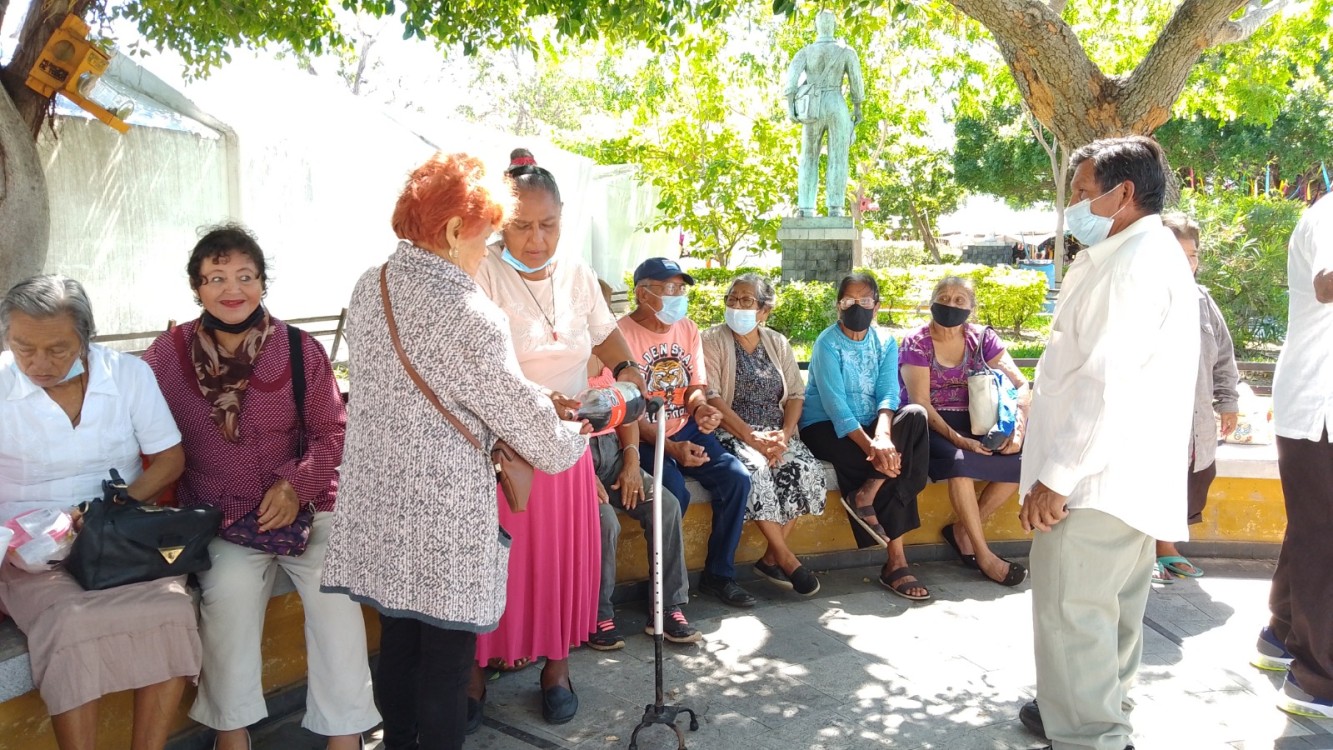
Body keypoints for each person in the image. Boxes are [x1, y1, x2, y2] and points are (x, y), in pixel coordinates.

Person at [320, 153, 588, 750]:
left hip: (378, 505)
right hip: (442, 518)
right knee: (444, 664)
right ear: (450, 232)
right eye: (485, 237)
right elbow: (538, 441)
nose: (485, 252)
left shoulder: (372, 285)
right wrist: (579, 432)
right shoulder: (469, 311)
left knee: (398, 649)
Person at [142, 225, 379, 750]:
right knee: (226, 596)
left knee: (336, 594)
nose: (233, 289)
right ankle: (233, 732)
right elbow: (133, 420)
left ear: (263, 283)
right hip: (219, 516)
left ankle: (345, 733)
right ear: (197, 288)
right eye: (216, 277)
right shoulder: (166, 355)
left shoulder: (299, 350)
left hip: (306, 508)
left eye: (245, 276)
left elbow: (333, 432)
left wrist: (295, 484)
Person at [1015, 136, 1199, 750]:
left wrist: (1056, 476)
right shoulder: (1146, 253)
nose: (1074, 204)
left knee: (1074, 617)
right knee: (1109, 617)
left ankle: (1092, 734)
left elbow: (1106, 385)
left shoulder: (1131, 265)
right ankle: (1094, 711)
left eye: (1084, 191)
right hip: (1126, 477)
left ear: (1124, 194)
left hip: (1095, 480)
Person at [473, 149, 653, 724]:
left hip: (568, 445)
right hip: (500, 451)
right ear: (500, 222)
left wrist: (626, 379)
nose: (536, 239)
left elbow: (607, 342)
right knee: (494, 563)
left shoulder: (577, 275)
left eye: (547, 225)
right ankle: (474, 676)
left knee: (555, 565)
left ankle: (556, 667)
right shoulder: (479, 271)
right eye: (522, 226)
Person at [0, 275, 197, 750]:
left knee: (171, 607)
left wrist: (111, 506)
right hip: (30, 550)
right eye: (24, 348)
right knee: (71, 619)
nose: (39, 363)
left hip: (119, 536)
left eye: (57, 349)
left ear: (86, 338)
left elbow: (170, 458)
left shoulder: (126, 376)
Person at [619, 257, 757, 608]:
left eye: (681, 289)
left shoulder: (687, 328)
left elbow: (695, 386)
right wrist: (672, 448)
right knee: (674, 494)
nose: (678, 296)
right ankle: (662, 587)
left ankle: (719, 575)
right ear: (642, 293)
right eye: (669, 289)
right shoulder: (620, 336)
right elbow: (627, 410)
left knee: (736, 478)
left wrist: (701, 409)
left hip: (688, 427)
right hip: (646, 433)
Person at [799, 272, 931, 601]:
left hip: (873, 423)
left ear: (877, 305)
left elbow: (889, 391)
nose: (856, 307)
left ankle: (867, 493)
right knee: (885, 462)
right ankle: (896, 561)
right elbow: (834, 404)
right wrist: (873, 446)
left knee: (916, 416)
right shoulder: (827, 343)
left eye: (864, 300)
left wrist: (884, 434)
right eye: (848, 301)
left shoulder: (885, 342)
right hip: (825, 426)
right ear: (838, 305)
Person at [586, 280, 699, 651]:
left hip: (615, 454)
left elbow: (628, 413)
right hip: (574, 460)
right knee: (604, 522)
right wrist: (585, 478)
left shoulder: (613, 360)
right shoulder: (559, 364)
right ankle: (596, 614)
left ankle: (666, 608)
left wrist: (632, 462)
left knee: (665, 504)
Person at [1255, 193, 1333, 719]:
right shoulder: (1330, 213)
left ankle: (1280, 635)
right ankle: (1316, 678)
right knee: (1323, 536)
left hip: (1316, 402)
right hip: (1318, 402)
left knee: (1314, 527)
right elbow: (1328, 284)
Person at [899, 275, 1029, 588]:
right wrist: (960, 440)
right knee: (959, 463)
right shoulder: (917, 342)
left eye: (960, 300)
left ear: (971, 307)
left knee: (1021, 463)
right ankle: (983, 554)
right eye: (944, 297)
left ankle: (961, 531)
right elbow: (921, 403)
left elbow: (1021, 384)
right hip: (932, 425)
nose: (950, 304)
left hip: (979, 421)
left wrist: (1018, 434)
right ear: (932, 301)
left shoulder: (982, 338)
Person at [702, 273, 827, 596]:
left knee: (806, 469)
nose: (736, 306)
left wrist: (784, 436)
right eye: (731, 299)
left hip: (775, 432)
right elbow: (712, 396)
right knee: (755, 470)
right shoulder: (711, 340)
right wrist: (751, 438)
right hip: (732, 431)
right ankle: (785, 558)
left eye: (746, 300)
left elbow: (796, 395)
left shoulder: (777, 342)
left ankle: (771, 556)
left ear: (764, 310)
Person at [1153, 214, 1240, 582]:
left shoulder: (1203, 300)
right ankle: (1157, 552)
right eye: (1179, 254)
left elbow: (1223, 356)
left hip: (1196, 421)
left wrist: (1228, 401)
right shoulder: (1143, 298)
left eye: (1193, 256)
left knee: (1194, 478)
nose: (1188, 263)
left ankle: (1167, 545)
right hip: (1155, 419)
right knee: (1154, 481)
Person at [784, 10, 864, 217]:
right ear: (833, 25)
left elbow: (791, 80)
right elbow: (857, 84)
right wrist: (857, 109)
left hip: (812, 107)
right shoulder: (847, 51)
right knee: (838, 157)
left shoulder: (806, 52)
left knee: (808, 157)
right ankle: (835, 208)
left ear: (817, 25)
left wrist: (791, 106)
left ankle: (806, 207)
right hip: (837, 104)